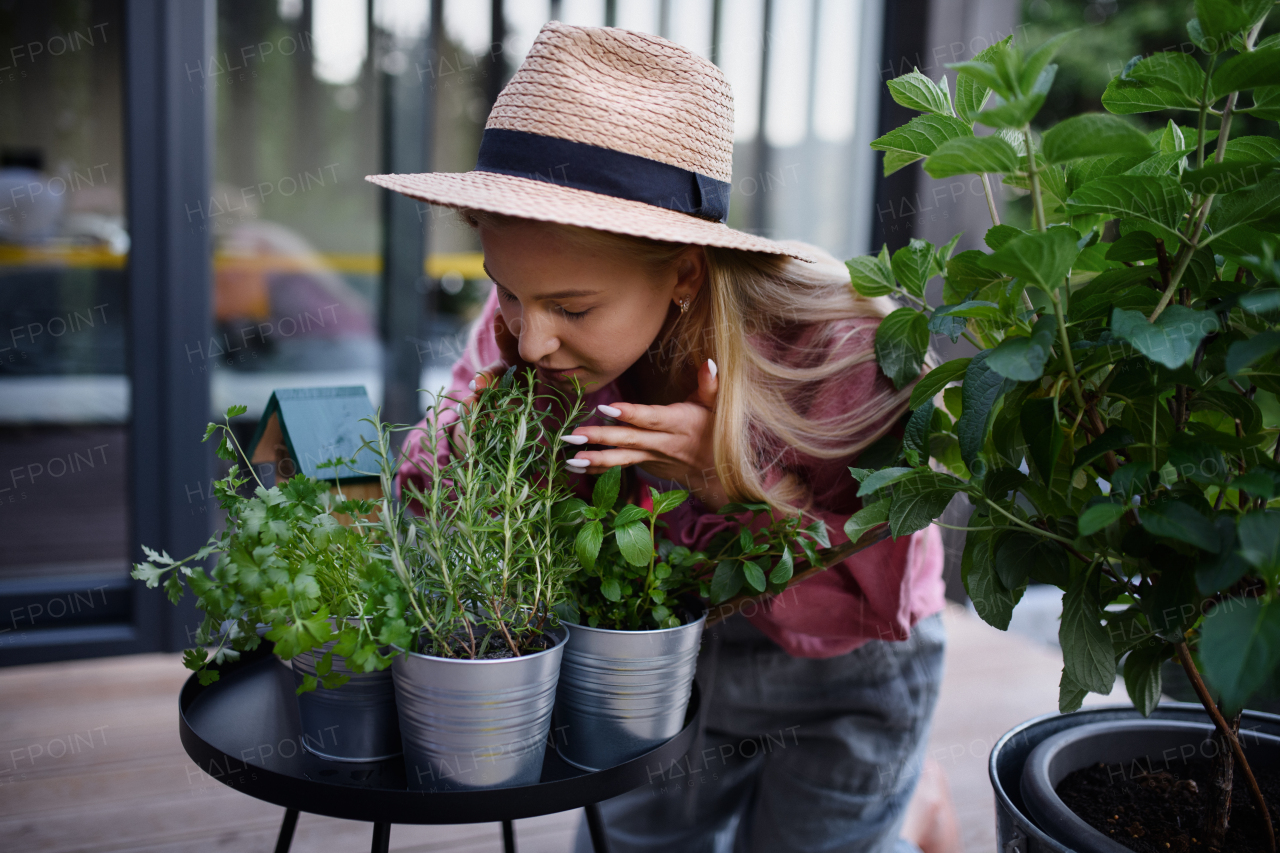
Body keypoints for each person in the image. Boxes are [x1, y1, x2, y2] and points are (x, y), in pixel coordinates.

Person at [371, 21, 955, 853]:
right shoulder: (525, 336)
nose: (530, 339)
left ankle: (913, 810)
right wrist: (483, 456)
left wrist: (736, 484)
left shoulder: (841, 347)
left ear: (684, 270)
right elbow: (431, 471)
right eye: (505, 291)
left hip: (844, 667)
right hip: (655, 648)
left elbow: (878, 561)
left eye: (572, 309)